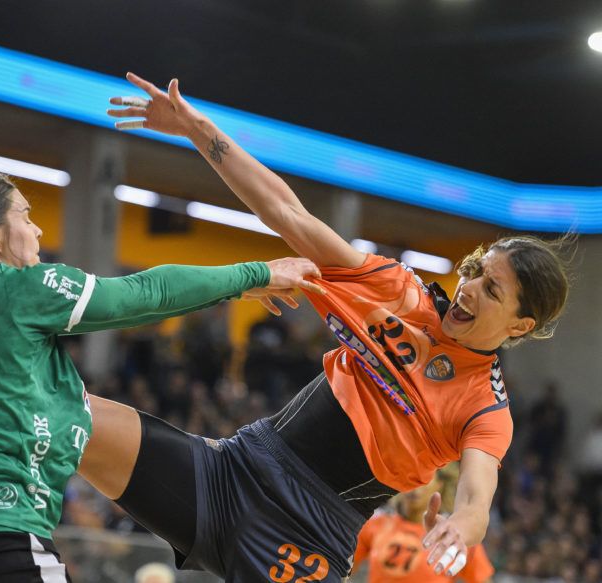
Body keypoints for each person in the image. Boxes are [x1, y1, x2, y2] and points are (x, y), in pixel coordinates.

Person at [73, 72, 570, 582]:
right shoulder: (401, 293)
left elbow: (477, 495)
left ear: (521, 324)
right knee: (66, 419)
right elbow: (287, 213)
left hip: (305, 542)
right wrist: (197, 128)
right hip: (230, 472)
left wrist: (462, 527)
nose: (469, 289)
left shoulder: (486, 408)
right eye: (479, 272)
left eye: (493, 292)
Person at [0, 168, 321, 583]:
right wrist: (257, 272)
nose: (37, 230)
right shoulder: (13, 288)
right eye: (26, 217)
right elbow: (146, 293)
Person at [353, 465, 495, 583]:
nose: (416, 487)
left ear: (439, 485)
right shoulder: (374, 524)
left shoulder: (454, 534)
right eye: (411, 479)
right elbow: (341, 569)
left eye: (424, 480)